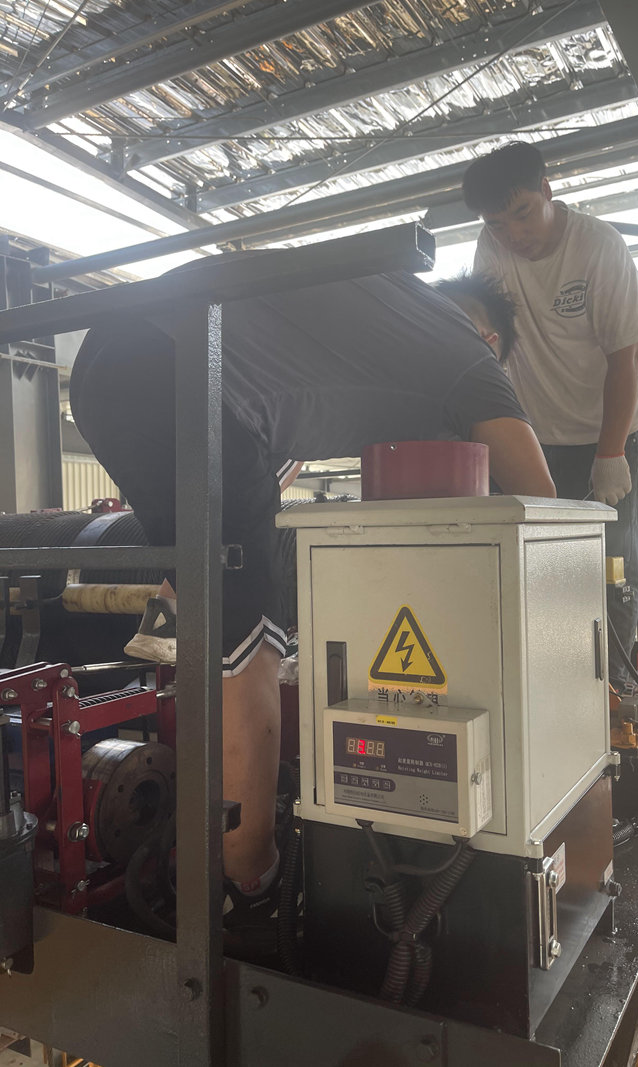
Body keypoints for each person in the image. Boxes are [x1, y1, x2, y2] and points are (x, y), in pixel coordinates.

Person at [69, 263, 555, 924]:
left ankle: (179, 644)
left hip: (106, 360)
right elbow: (542, 504)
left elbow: (268, 451)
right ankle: (248, 879)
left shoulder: (380, 309)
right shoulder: (471, 355)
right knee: (251, 649)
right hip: (181, 370)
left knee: (214, 594)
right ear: (492, 339)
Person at [462, 142, 638, 688]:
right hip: (537, 433)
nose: (513, 234)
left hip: (609, 431)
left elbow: (624, 360)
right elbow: (487, 336)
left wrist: (610, 453)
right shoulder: (490, 247)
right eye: (497, 224)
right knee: (538, 559)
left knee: (613, 566)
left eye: (523, 213)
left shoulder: (599, 247)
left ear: (547, 191)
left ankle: (615, 691)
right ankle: (548, 684)